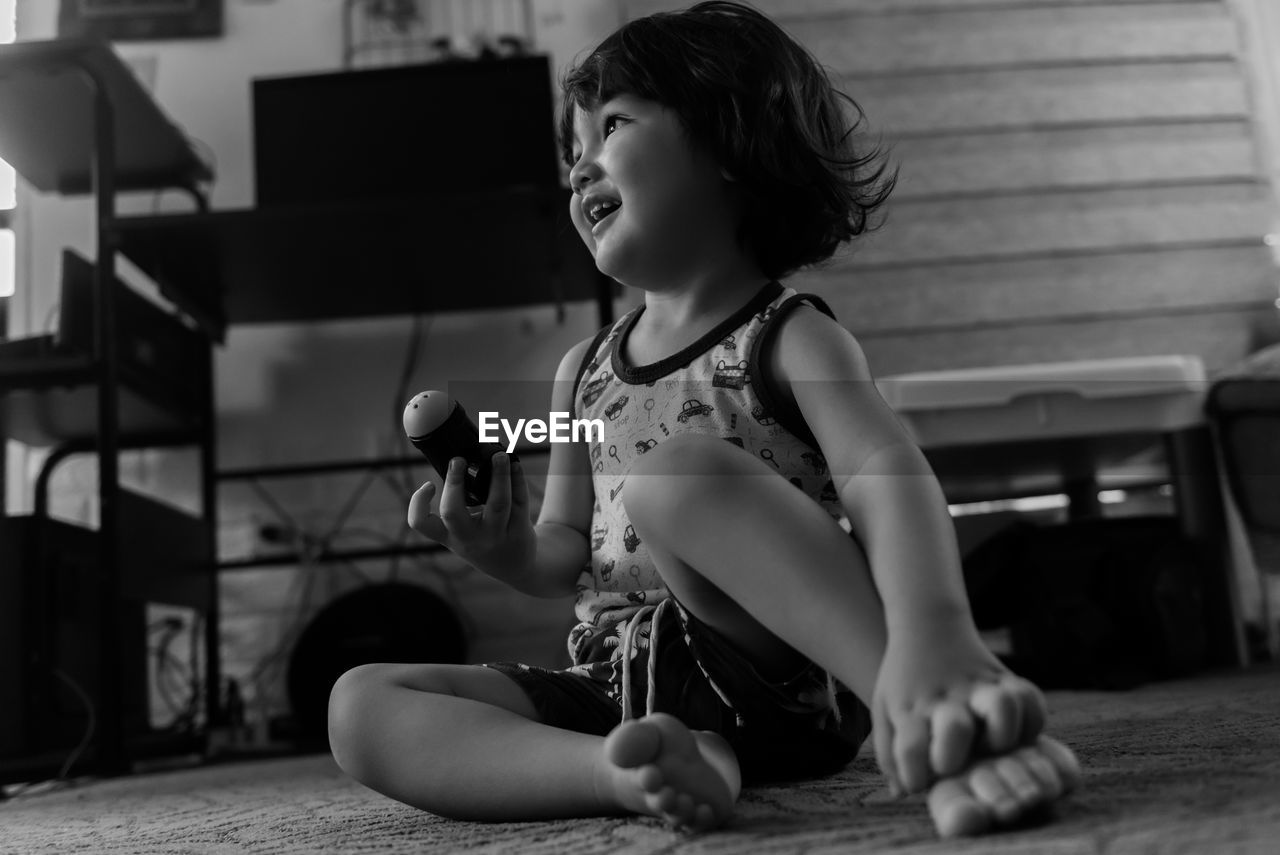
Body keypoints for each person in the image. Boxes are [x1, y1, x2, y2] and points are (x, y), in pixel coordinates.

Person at [327, 0, 1081, 837]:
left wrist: (935, 636)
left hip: (781, 670)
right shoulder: (580, 372)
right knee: (360, 703)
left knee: (674, 476)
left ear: (729, 144)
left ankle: (926, 710)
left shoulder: (790, 336)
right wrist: (504, 551)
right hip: (620, 684)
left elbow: (886, 480)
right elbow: (565, 553)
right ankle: (634, 770)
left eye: (610, 126)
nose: (578, 171)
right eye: (572, 151)